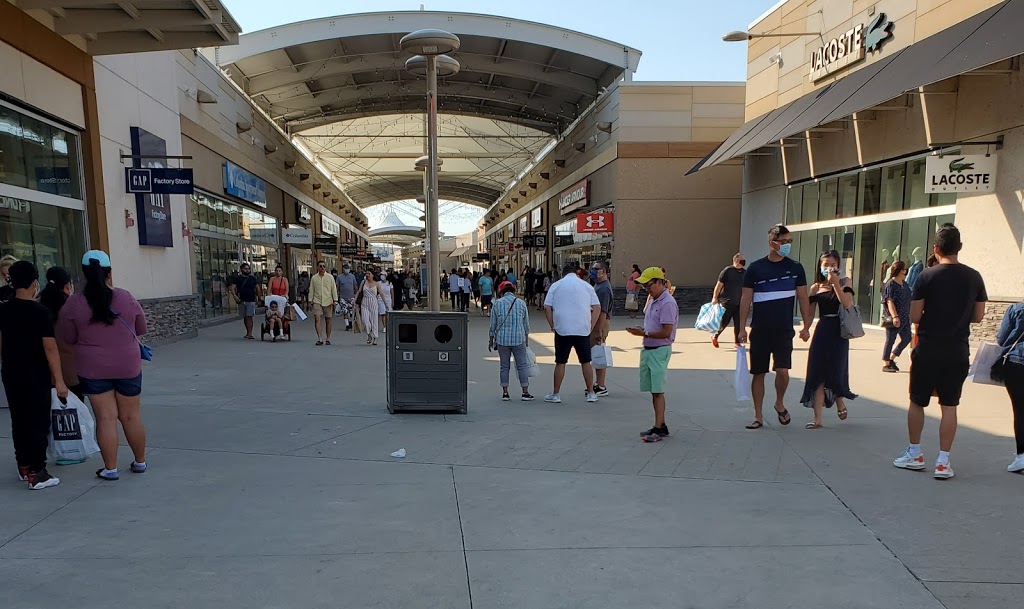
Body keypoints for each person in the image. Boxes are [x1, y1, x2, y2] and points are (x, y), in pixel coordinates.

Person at [893, 224, 987, 479]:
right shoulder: (974, 277)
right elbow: (978, 316)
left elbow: (914, 315)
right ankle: (943, 461)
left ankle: (915, 453)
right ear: (960, 248)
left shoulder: (926, 276)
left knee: (917, 401)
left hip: (928, 347)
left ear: (935, 249)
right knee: (950, 405)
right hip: (957, 348)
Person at [59, 250, 148, 481]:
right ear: (109, 272)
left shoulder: (74, 303)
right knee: (131, 415)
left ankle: (110, 468)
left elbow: (66, 337)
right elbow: (141, 328)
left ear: (84, 274)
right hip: (127, 365)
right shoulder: (126, 297)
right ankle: (140, 462)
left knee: (106, 417)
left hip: (93, 367)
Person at [738, 224, 812, 430]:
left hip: (784, 329)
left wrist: (806, 325)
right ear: (772, 243)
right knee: (758, 373)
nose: (788, 245)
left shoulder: (796, 267)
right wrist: (741, 328)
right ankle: (758, 415)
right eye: (784, 241)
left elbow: (803, 297)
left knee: (782, 371)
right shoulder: (755, 268)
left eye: (790, 241)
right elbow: (745, 299)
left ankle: (779, 402)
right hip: (760, 329)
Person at [0, 261, 67, 489]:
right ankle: (38, 472)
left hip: (11, 371)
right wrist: (59, 381)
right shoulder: (40, 312)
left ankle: (25, 466)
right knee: (38, 421)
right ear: (34, 283)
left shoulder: (3, 309)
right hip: (35, 373)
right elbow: (50, 349)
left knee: (19, 419)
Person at [800, 250, 857, 429]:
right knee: (817, 372)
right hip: (823, 329)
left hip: (839, 331)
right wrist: (806, 329)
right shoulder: (816, 287)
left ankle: (839, 400)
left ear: (838, 265)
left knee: (836, 369)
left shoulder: (845, 282)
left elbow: (847, 303)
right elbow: (810, 312)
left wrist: (835, 285)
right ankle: (818, 419)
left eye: (832, 264)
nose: (829, 268)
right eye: (825, 265)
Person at [626, 267, 678, 442]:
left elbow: (666, 332)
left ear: (659, 282)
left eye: (648, 285)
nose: (646, 289)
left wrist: (645, 334)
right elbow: (653, 326)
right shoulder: (654, 300)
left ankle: (658, 428)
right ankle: (660, 425)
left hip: (659, 349)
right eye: (644, 287)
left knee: (658, 391)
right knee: (653, 391)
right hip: (649, 348)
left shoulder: (667, 303)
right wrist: (643, 331)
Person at [543, 264, 601, 404]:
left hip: (563, 329)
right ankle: (591, 393)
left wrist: (553, 325)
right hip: (582, 329)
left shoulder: (556, 285)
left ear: (563, 274)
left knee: (560, 362)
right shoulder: (587, 286)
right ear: (576, 273)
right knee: (585, 361)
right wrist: (590, 326)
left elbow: (547, 307)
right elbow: (597, 307)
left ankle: (556, 393)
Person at [38, 266, 81, 400]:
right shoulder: (72, 307)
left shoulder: (40, 306)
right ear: (68, 285)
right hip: (71, 370)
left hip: (44, 370)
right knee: (75, 414)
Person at [489, 280, 534, 401]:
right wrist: (526, 340)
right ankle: (525, 392)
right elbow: (526, 325)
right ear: (513, 290)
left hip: (502, 340)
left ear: (502, 291)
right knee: (522, 366)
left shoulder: (497, 304)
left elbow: (493, 324)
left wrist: (491, 339)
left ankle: (505, 393)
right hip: (519, 339)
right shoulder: (521, 303)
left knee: (504, 366)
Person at [996, 298, 1024, 472]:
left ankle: (1021, 456)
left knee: (1020, 410)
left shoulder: (1017, 308)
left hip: (1017, 362)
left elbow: (1001, 338)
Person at [882, 260, 913, 373]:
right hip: (894, 317)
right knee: (890, 340)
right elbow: (890, 301)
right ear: (899, 270)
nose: (906, 271)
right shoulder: (891, 284)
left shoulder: (905, 284)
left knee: (907, 338)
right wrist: (895, 316)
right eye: (904, 269)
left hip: (905, 317)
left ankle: (892, 358)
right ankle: (885, 363)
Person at [711, 253, 746, 348]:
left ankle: (737, 342)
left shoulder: (745, 273)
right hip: (727, 302)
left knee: (738, 323)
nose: (743, 262)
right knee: (724, 322)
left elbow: (746, 289)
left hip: (739, 303)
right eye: (741, 260)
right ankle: (715, 335)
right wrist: (715, 297)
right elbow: (719, 285)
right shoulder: (727, 271)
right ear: (735, 261)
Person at [590, 261, 613, 396]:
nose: (592, 271)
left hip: (600, 323)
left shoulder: (604, 288)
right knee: (596, 353)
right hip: (596, 322)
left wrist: (599, 330)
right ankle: (598, 383)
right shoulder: (598, 285)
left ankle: (601, 385)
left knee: (599, 353)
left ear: (603, 271)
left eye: (596, 269)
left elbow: (603, 311)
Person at [309, 260, 338, 346]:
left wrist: (335, 300)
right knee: (317, 319)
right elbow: (311, 290)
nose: (322, 268)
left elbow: (333, 289)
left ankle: (328, 338)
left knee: (328, 320)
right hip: (317, 300)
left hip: (328, 301)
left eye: (323, 266)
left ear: (326, 268)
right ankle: (320, 338)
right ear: (317, 267)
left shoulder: (330, 277)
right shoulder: (314, 278)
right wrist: (310, 301)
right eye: (320, 266)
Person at [231, 262, 262, 340]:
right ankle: (248, 332)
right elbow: (232, 288)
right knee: (245, 317)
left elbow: (257, 288)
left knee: (249, 316)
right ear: (241, 269)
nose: (247, 270)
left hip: (251, 300)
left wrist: (259, 298)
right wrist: (235, 296)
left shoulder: (252, 278)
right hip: (241, 300)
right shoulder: (237, 278)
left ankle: (250, 333)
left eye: (248, 269)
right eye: (245, 269)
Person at [358, 270, 384, 345]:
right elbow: (359, 291)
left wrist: (386, 304)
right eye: (366, 273)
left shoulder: (377, 284)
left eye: (369, 273)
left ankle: (375, 337)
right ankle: (369, 334)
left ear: (372, 275)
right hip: (364, 303)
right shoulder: (363, 282)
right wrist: (355, 301)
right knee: (365, 321)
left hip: (373, 303)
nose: (367, 275)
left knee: (374, 321)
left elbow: (381, 293)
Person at [336, 263, 359, 330]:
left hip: (351, 297)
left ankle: (351, 322)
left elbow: (355, 285)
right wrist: (336, 296)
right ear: (343, 269)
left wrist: (356, 294)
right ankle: (347, 325)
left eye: (347, 268)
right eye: (345, 268)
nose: (347, 270)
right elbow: (337, 287)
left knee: (351, 312)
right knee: (345, 311)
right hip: (343, 297)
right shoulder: (339, 277)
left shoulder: (352, 276)